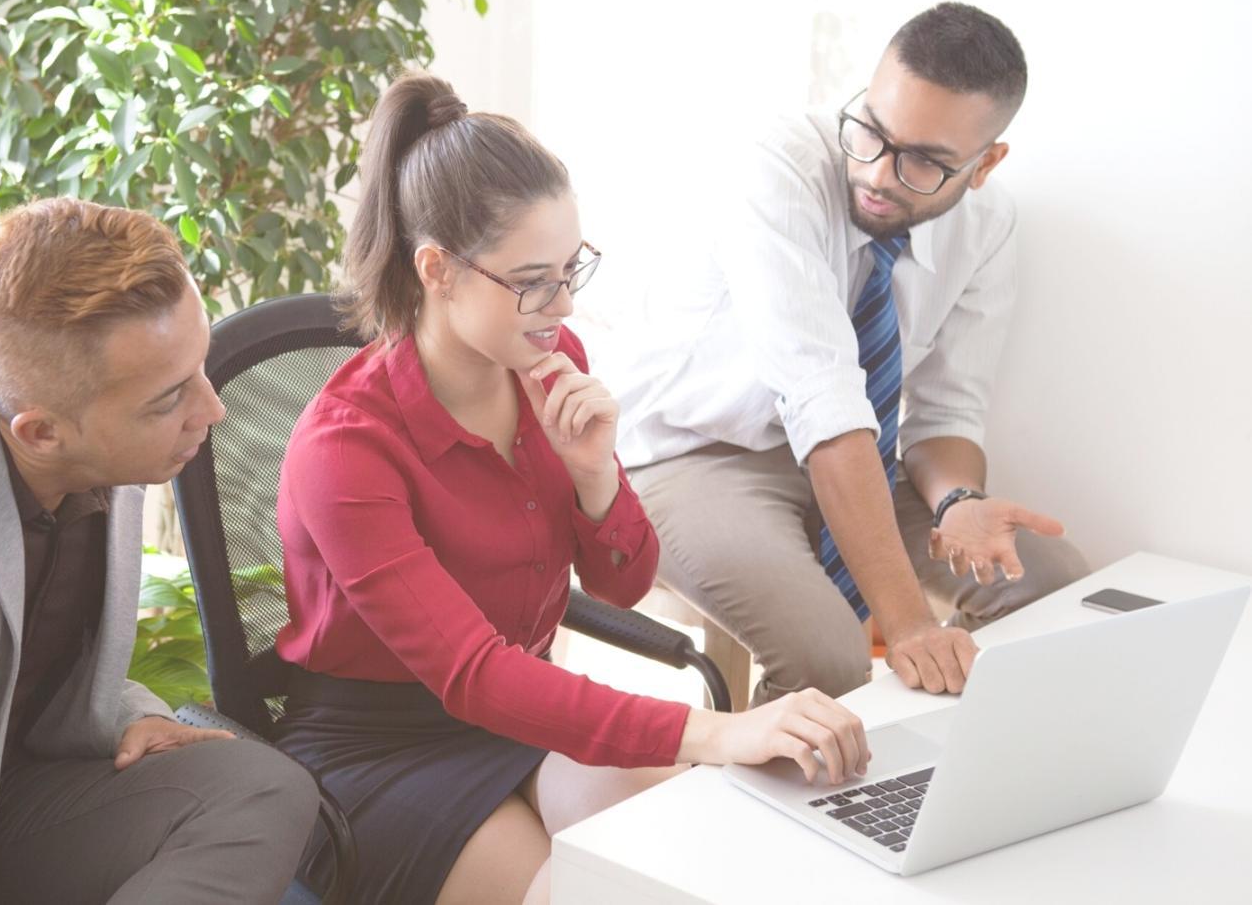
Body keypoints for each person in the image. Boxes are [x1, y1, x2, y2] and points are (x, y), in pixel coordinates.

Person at [272, 71, 870, 904]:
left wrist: (595, 478)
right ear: (437, 269)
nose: (562, 307)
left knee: (682, 855)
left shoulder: (551, 370)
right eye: (531, 281)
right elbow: (471, 673)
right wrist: (717, 730)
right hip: (379, 746)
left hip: (523, 712)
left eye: (570, 269)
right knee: (586, 889)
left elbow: (622, 584)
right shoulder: (346, 449)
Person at [0, 199, 319, 904]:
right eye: (169, 398)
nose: (212, 408)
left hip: (4, 815)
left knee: (259, 788)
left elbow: (8, 664)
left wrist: (130, 710)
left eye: (201, 367)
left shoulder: (106, 456)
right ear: (41, 432)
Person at [610, 2, 1089, 706]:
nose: (877, 172)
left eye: (924, 160)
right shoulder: (778, 168)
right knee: (827, 657)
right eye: (871, 129)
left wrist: (957, 501)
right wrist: (910, 624)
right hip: (697, 453)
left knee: (1050, 585)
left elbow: (947, 410)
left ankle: (950, 789)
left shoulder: (989, 225)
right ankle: (776, 813)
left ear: (985, 165)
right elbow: (822, 399)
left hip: (862, 455)